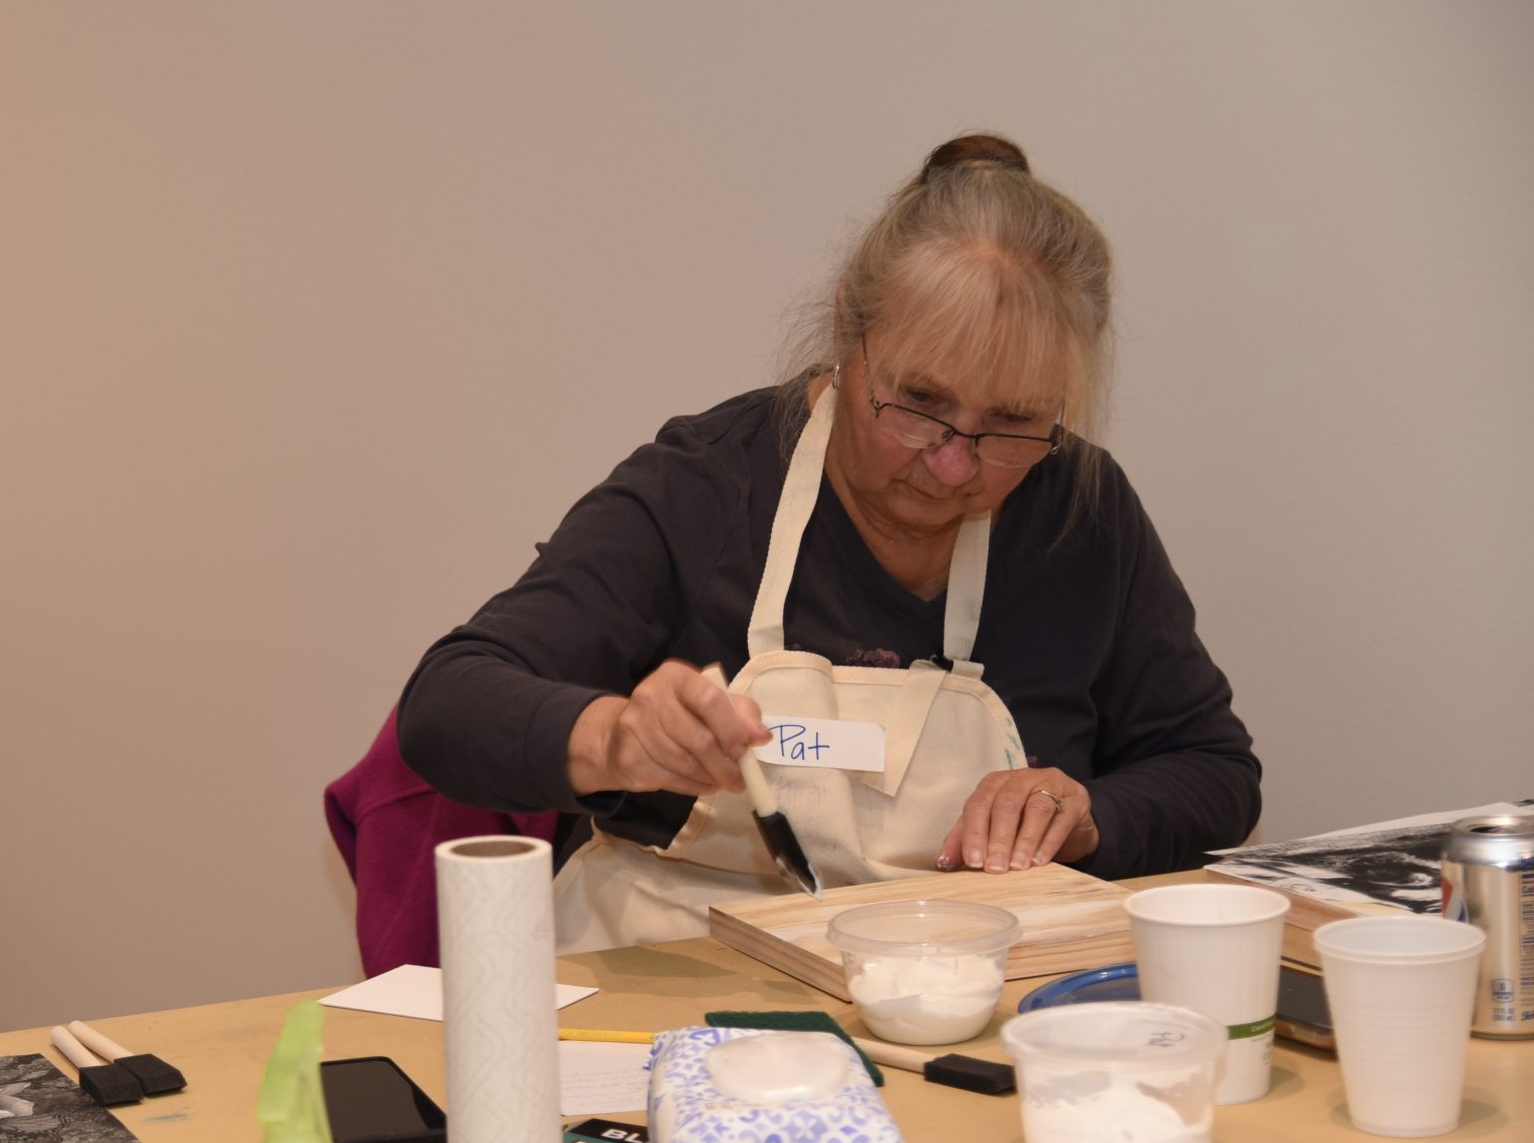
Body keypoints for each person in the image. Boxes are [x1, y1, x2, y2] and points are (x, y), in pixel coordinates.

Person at [398, 134, 1260, 951]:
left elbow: (1215, 772)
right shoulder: (708, 488)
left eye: (1012, 424)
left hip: (959, 989)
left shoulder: (1083, 512)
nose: (955, 465)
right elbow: (447, 703)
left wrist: (1090, 811)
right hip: (674, 977)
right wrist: (618, 738)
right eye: (920, 402)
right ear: (851, 337)